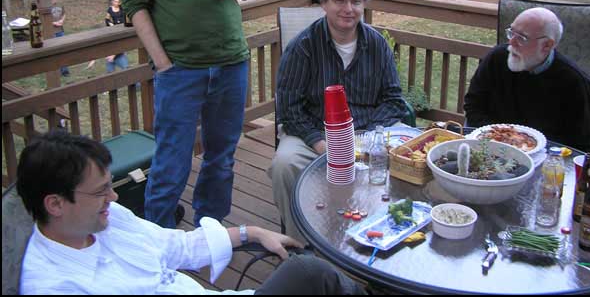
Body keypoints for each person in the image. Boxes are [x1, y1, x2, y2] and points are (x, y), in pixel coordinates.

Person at [16, 131, 367, 295]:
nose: (113, 196)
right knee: (309, 273)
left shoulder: (108, 220)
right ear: (55, 204)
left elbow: (176, 246)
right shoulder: (53, 285)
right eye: (100, 191)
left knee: (311, 273)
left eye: (110, 185)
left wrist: (251, 233)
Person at [121, 0, 256, 229]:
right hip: (179, 68)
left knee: (221, 156)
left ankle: (210, 231)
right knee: (171, 161)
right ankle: (157, 237)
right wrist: (162, 62)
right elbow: (135, 3)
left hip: (231, 61)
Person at [268, 0, 411, 241]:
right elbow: (289, 109)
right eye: (339, 0)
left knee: (404, 158)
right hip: (314, 134)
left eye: (355, 1)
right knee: (284, 164)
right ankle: (299, 246)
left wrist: (362, 138)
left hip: (366, 134)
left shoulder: (378, 45)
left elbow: (394, 101)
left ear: (364, 3)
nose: (348, 9)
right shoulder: (303, 48)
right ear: (324, 2)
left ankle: (374, 235)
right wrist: (322, 143)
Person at [464, 7, 590, 151]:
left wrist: (527, 147)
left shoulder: (576, 83)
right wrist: (499, 140)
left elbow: (579, 145)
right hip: (488, 148)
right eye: (511, 33)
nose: (511, 43)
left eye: (522, 38)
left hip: (544, 159)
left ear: (547, 45)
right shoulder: (497, 59)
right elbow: (473, 105)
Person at [104, 0, 129, 73]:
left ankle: (122, 54)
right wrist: (111, 24)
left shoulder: (122, 8)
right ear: (112, 2)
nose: (116, 3)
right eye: (115, 1)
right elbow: (107, 19)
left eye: (118, 2)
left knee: (123, 42)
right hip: (114, 28)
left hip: (122, 27)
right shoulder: (110, 9)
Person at [50, 0, 70, 77]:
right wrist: (53, 23)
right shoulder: (45, 8)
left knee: (63, 50)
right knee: (54, 51)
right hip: (51, 32)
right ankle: (56, 71)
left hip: (60, 31)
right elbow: (42, 20)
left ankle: (65, 70)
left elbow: (64, 14)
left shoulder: (60, 5)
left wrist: (62, 20)